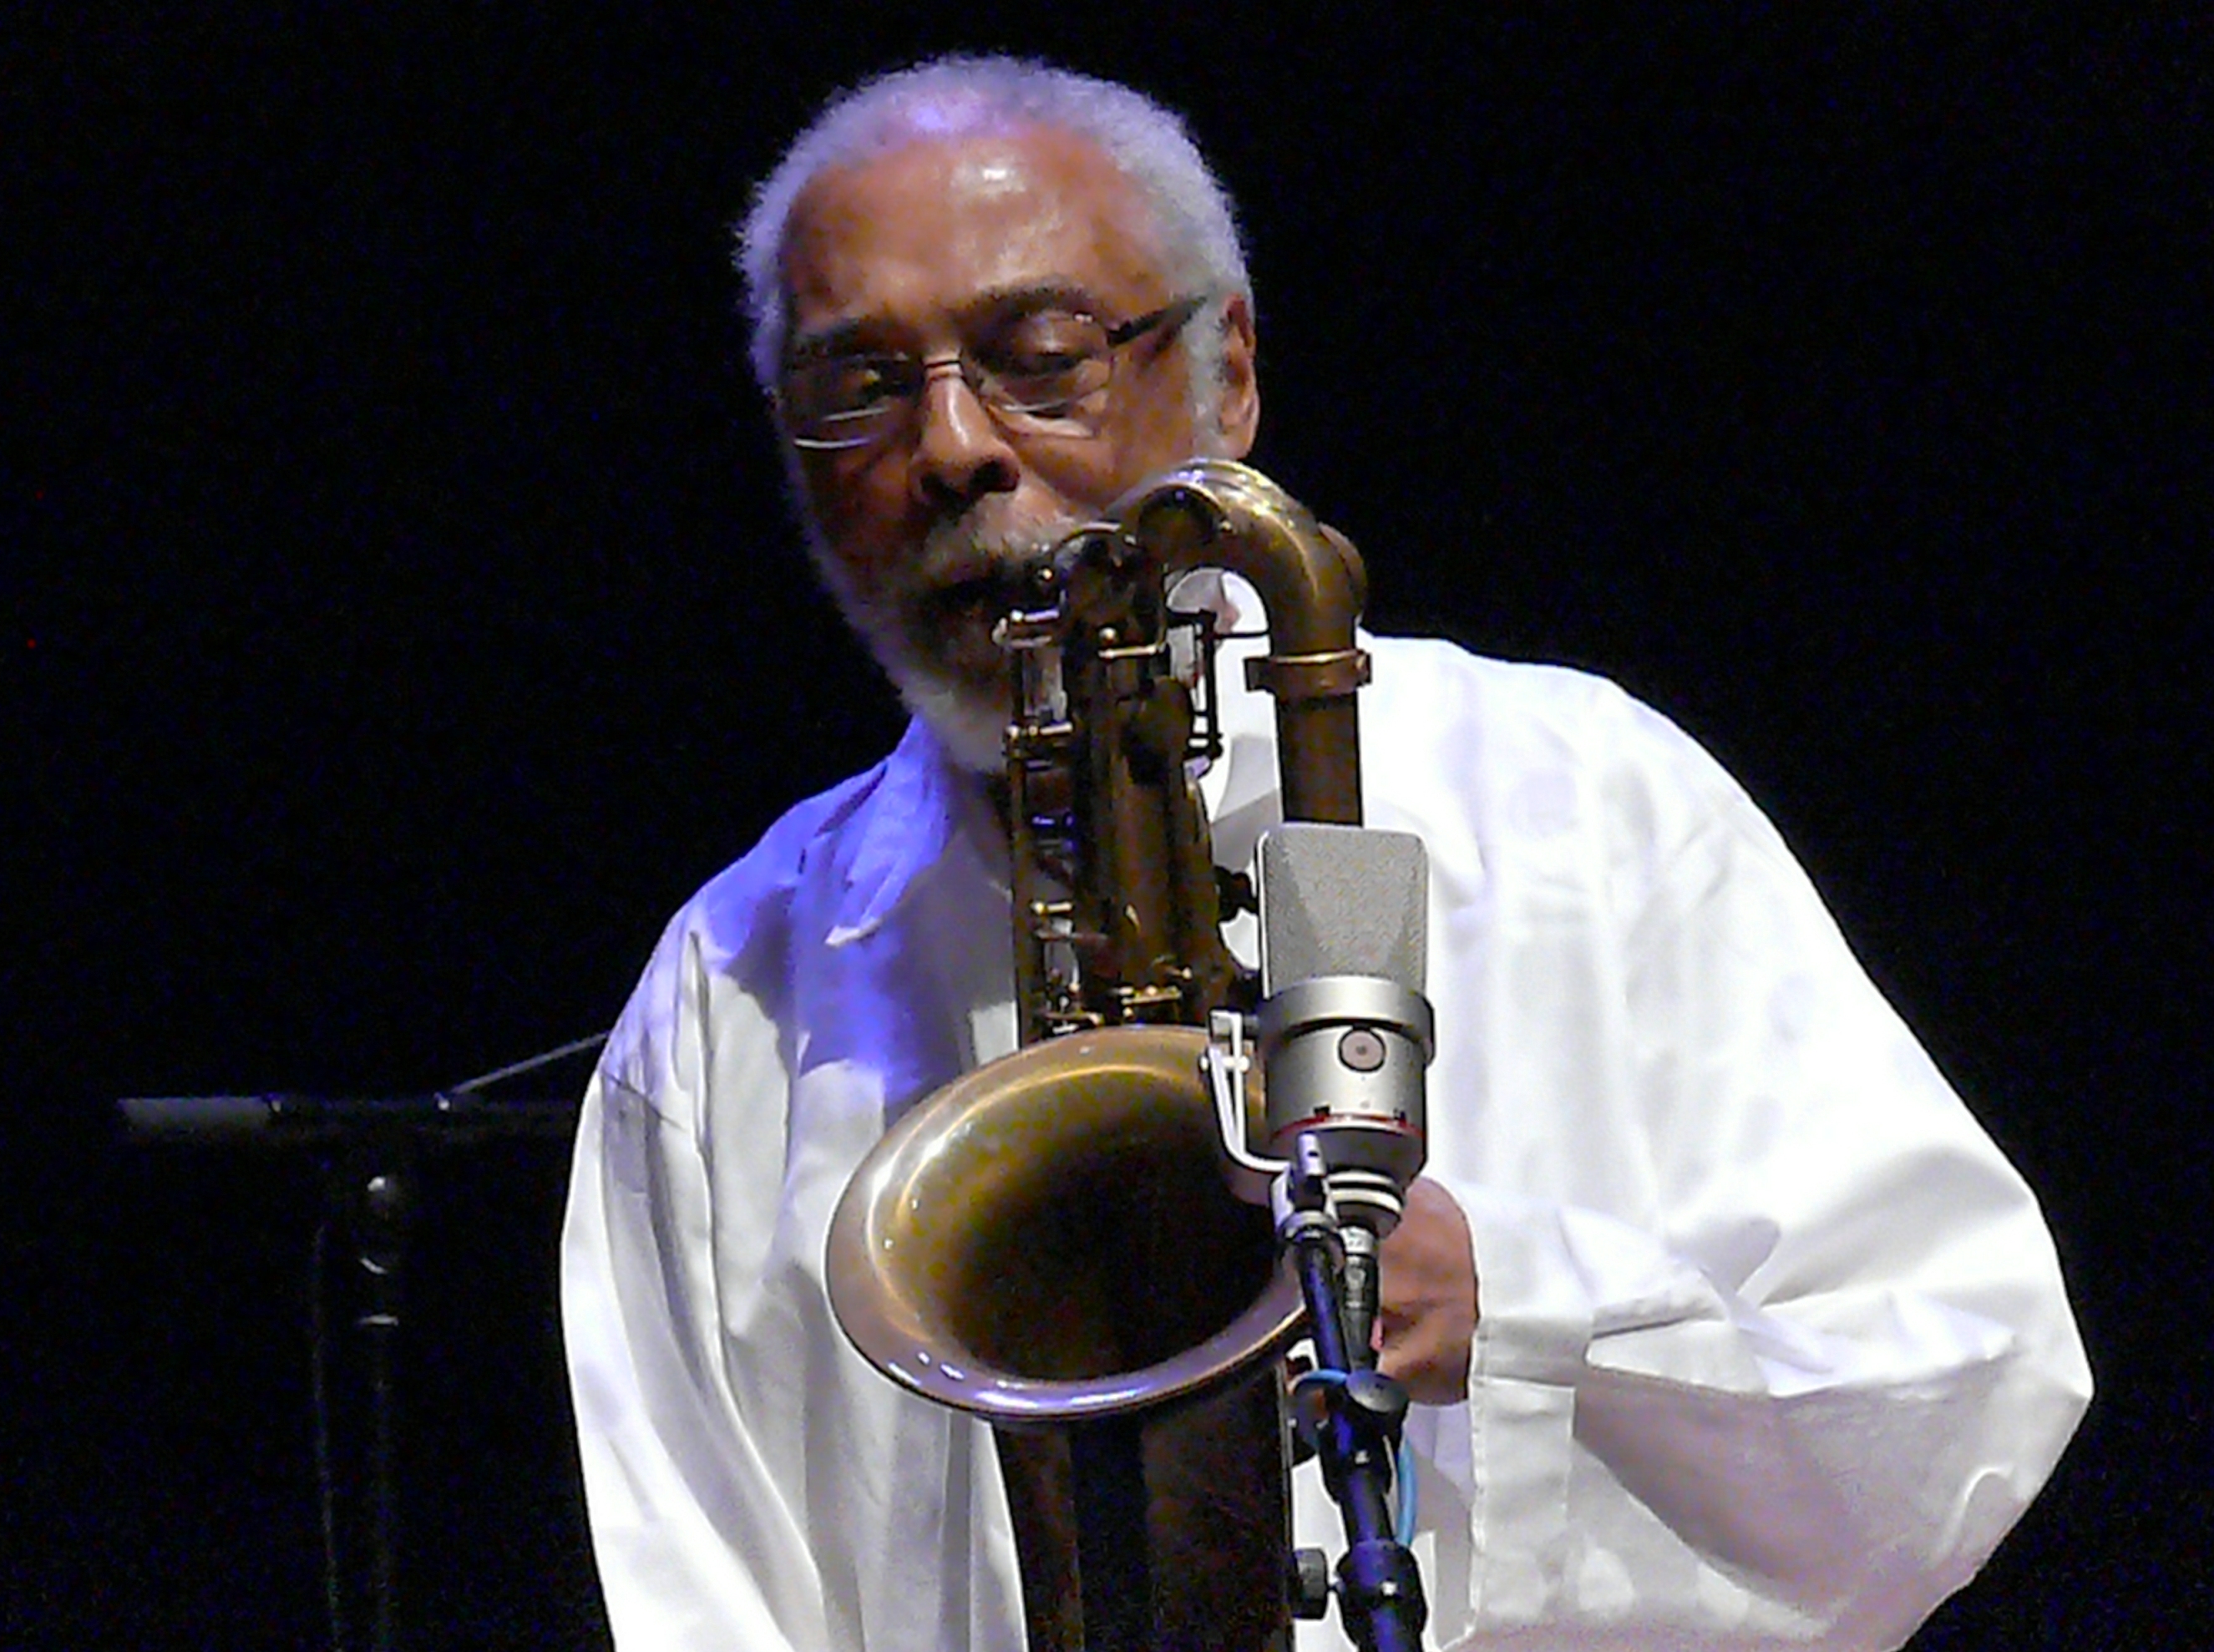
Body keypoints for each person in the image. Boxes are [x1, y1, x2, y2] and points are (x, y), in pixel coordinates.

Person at [560, 54, 2089, 1650]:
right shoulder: (732, 991)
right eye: (855, 386)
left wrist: (1515, 1306)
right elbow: (701, 1596)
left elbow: (1961, 1386)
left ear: (1228, 375)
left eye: (1041, 355)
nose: (950, 449)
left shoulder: (1585, 804)